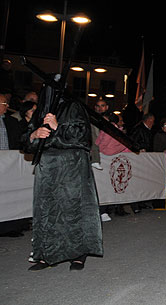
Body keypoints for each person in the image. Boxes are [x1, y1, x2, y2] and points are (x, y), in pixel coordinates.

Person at [26, 86, 103, 271]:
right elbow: (26, 142)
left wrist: (57, 127)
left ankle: (78, 254)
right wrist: (33, 135)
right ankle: (46, 254)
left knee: (72, 209)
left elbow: (83, 137)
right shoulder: (40, 111)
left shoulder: (75, 107)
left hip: (72, 166)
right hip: (47, 168)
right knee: (47, 210)